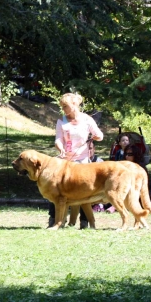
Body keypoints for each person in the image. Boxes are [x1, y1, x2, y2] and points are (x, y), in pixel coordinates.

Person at [48, 93, 104, 227]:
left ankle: (84, 222)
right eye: (62, 106)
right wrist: (60, 148)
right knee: (54, 188)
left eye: (65, 106)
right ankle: (54, 220)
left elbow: (100, 136)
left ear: (74, 105)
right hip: (65, 161)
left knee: (85, 191)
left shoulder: (87, 119)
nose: (63, 109)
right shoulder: (61, 121)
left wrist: (95, 136)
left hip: (83, 161)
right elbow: (58, 139)